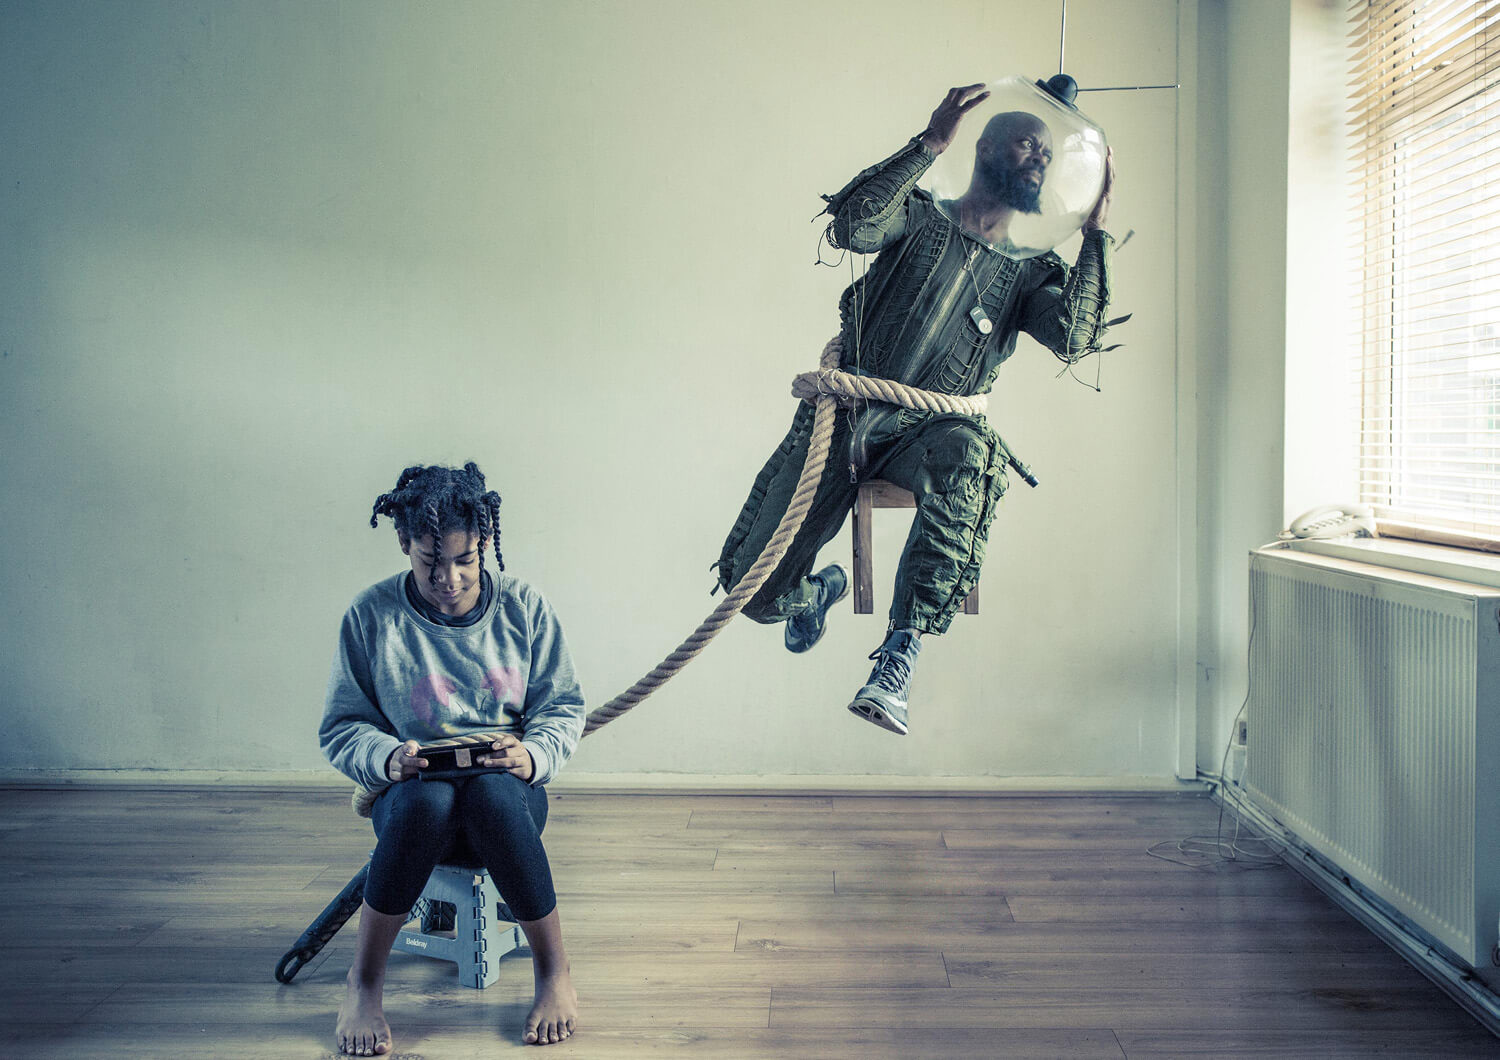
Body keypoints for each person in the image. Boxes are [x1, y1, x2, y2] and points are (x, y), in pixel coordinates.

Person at [714, 84, 1118, 736]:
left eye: (1049, 154)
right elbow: (854, 225)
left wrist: (1095, 233)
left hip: (929, 433)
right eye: (1027, 143)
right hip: (838, 421)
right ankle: (816, 593)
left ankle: (898, 657)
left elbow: (1076, 337)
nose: (1040, 161)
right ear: (986, 146)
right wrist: (927, 144)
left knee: (975, 451)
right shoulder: (922, 217)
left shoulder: (1032, 272)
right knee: (753, 593)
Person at [319, 462, 583, 1053]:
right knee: (429, 801)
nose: (450, 579)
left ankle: (554, 971)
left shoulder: (524, 608)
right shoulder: (371, 617)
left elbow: (562, 708)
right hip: (415, 809)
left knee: (488, 794)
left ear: (485, 545)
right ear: (404, 545)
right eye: (430, 563)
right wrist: (390, 758)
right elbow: (342, 726)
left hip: (506, 804)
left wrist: (530, 754)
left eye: (466, 560)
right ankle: (362, 984)